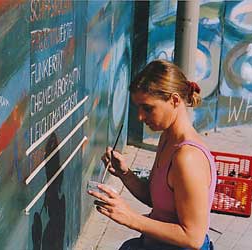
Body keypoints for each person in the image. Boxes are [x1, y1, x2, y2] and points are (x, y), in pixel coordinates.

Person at [87, 59, 216, 250]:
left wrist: (130, 218)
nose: (140, 116)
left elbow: (193, 237)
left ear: (174, 100)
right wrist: (125, 174)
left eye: (147, 108)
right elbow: (158, 201)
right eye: (138, 108)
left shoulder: (187, 157)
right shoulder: (167, 138)